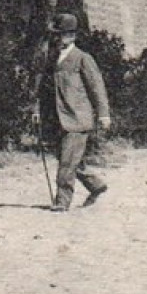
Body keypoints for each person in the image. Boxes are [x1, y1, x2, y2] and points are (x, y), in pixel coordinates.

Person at [36, 13, 111, 212]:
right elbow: (44, 89)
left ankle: (62, 201)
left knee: (67, 163)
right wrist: (37, 110)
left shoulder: (82, 59)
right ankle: (96, 185)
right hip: (57, 118)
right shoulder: (52, 59)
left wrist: (103, 114)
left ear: (71, 36)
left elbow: (97, 88)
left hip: (78, 118)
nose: (56, 39)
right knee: (67, 160)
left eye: (60, 35)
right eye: (55, 35)